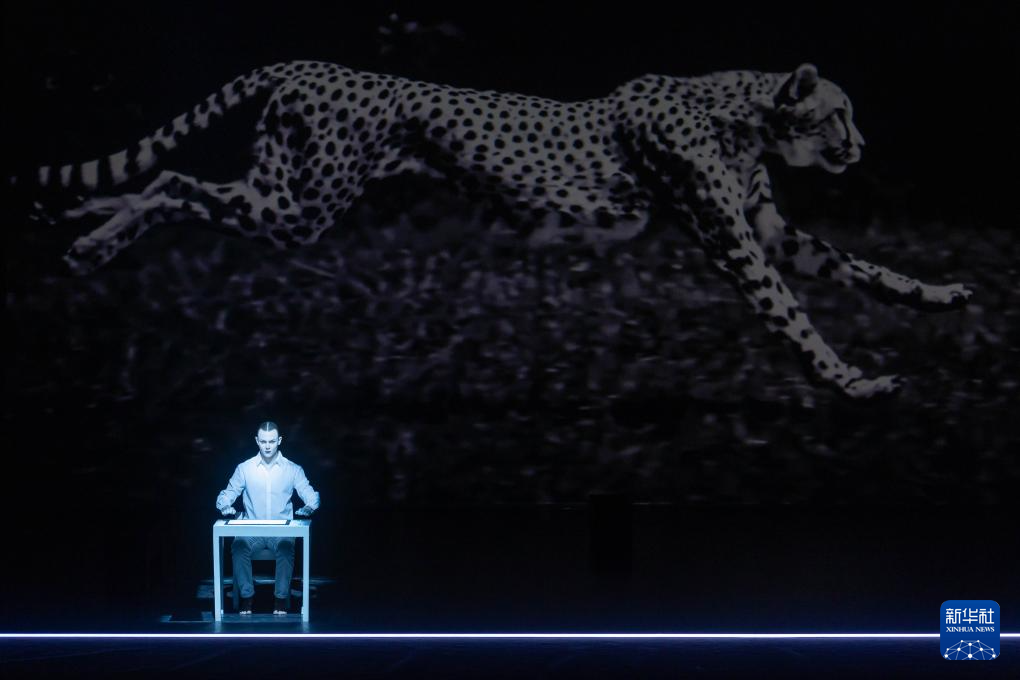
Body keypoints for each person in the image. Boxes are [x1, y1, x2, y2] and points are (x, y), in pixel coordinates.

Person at [215, 421, 320, 615]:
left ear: (279, 440)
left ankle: (280, 599)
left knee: (286, 547)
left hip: (281, 532)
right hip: (251, 531)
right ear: (257, 441)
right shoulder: (245, 468)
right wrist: (225, 505)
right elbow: (227, 494)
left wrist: (309, 506)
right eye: (263, 441)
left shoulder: (292, 469)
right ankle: (247, 597)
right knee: (238, 546)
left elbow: (310, 494)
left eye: (272, 441)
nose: (268, 446)